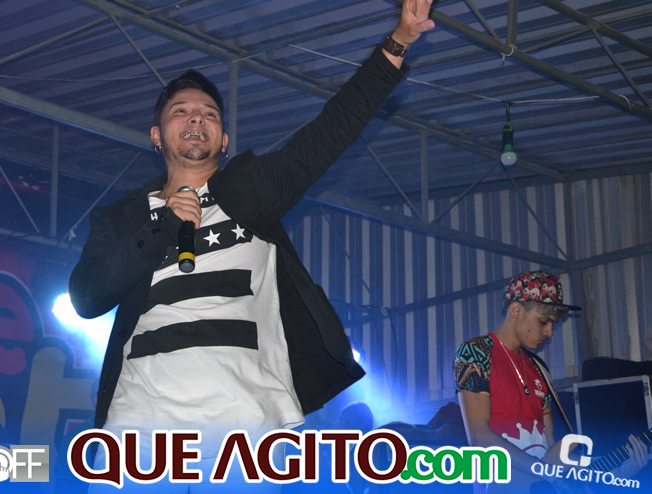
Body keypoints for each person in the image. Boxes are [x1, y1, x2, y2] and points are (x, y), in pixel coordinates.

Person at [68, 0, 434, 491]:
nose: (196, 118)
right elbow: (87, 297)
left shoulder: (253, 192)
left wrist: (399, 41)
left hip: (248, 435)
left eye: (209, 113)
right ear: (156, 135)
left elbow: (330, 132)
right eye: (181, 111)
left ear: (223, 139)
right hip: (140, 435)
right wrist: (162, 228)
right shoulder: (121, 217)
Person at [453, 271, 649, 493]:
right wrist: (547, 472)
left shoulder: (539, 369)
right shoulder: (475, 353)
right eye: (544, 321)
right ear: (516, 310)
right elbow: (479, 436)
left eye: (552, 324)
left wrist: (623, 472)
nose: (549, 332)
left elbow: (552, 452)